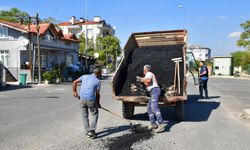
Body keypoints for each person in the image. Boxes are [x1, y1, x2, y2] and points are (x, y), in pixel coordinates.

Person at [73, 68, 102, 139]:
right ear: (97, 73)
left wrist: (74, 92)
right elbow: (97, 94)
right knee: (95, 114)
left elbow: (74, 82)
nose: (101, 75)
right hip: (91, 100)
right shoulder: (97, 81)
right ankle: (92, 131)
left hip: (82, 99)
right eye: (100, 73)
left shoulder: (84, 76)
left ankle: (88, 132)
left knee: (85, 116)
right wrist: (98, 103)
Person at [137, 65, 166, 133]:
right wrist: (141, 79)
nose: (143, 71)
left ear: (145, 70)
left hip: (155, 90)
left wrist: (140, 79)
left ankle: (161, 123)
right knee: (149, 108)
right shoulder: (147, 75)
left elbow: (148, 80)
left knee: (154, 107)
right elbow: (146, 82)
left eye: (144, 70)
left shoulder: (149, 73)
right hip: (152, 92)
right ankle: (153, 124)